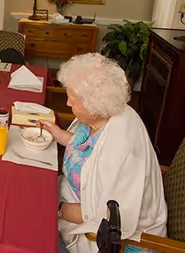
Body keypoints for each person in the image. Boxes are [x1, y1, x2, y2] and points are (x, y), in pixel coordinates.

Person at [39, 53, 167, 253]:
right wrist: (59, 135)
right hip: (71, 200)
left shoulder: (122, 146)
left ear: (93, 107)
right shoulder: (101, 117)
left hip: (114, 240)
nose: (67, 104)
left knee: (29, 228)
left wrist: (55, 208)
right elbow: (89, 152)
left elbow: (106, 215)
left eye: (72, 98)